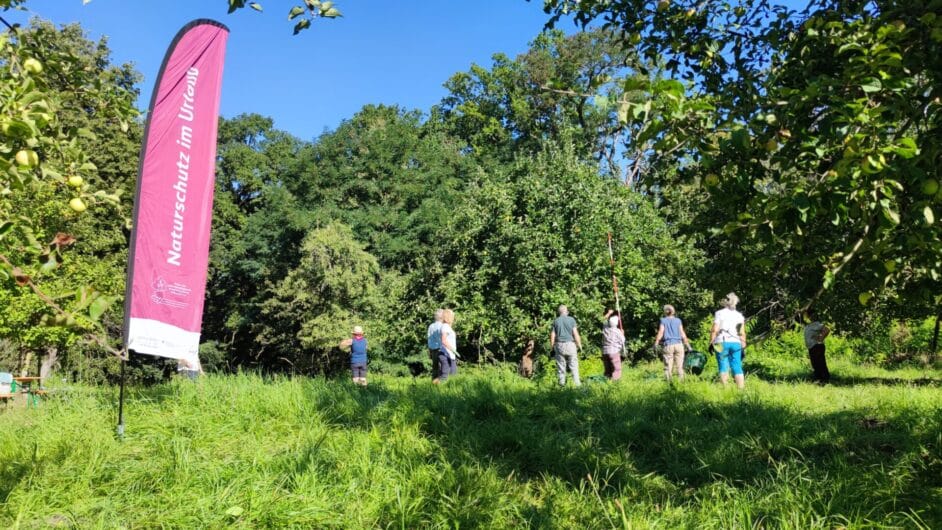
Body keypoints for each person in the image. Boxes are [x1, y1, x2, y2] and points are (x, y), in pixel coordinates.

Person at [709, 292, 747, 389]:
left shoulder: (720, 313)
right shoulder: (739, 315)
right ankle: (741, 389)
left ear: (726, 302)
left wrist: (711, 342)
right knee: (737, 365)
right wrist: (743, 346)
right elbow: (741, 332)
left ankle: (725, 389)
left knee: (723, 365)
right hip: (736, 343)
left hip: (721, 342)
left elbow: (715, 329)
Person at [653, 305, 691, 382]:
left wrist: (656, 343)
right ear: (673, 312)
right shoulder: (678, 320)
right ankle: (681, 382)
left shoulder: (663, 320)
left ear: (665, 311)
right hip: (679, 345)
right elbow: (682, 333)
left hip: (668, 345)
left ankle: (669, 383)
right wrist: (688, 345)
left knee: (668, 366)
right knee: (679, 366)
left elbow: (661, 332)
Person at [550, 305, 582, 387]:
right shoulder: (571, 320)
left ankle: (561, 385)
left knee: (561, 366)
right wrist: (579, 345)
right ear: (566, 311)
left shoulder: (556, 321)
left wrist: (552, 347)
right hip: (570, 344)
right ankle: (577, 385)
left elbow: (553, 335)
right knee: (574, 366)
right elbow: (575, 334)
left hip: (559, 345)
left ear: (559, 312)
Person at [803, 309, 831, 384]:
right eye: (809, 316)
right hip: (812, 347)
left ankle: (825, 379)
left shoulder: (817, 324)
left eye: (811, 316)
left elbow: (827, 329)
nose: (810, 317)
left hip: (817, 346)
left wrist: (821, 337)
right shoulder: (809, 325)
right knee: (815, 363)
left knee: (820, 363)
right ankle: (818, 379)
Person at [434, 309, 458, 384]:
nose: (453, 318)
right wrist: (452, 349)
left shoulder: (447, 327)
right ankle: (434, 388)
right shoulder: (445, 326)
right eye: (452, 316)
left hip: (450, 354)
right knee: (445, 375)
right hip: (445, 354)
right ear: (448, 317)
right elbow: (443, 340)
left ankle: (448, 390)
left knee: (453, 374)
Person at [601, 309, 625, 381]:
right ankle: (614, 384)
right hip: (614, 352)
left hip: (604, 352)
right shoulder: (617, 331)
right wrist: (623, 333)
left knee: (608, 370)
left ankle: (607, 382)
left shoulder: (605, 328)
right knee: (617, 369)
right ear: (617, 323)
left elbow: (603, 320)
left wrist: (609, 313)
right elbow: (622, 341)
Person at [427, 309, 444, 381]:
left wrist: (430, 349)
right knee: (443, 367)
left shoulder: (431, 326)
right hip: (442, 349)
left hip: (433, 350)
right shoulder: (443, 326)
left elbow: (429, 338)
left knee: (435, 368)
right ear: (442, 317)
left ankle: (433, 384)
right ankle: (442, 383)